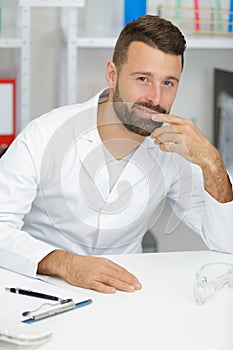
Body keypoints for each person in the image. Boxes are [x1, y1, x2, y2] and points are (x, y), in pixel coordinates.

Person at [0, 15, 232, 294]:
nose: (156, 99)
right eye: (143, 78)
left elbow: (226, 243)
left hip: (124, 294)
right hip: (42, 288)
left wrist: (212, 162)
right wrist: (67, 264)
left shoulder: (175, 149)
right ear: (112, 74)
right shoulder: (44, 134)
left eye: (168, 83)